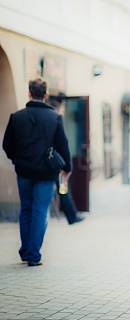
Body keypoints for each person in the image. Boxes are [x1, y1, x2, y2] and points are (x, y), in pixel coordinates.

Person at [2, 78, 71, 266]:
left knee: (26, 209)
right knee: (40, 210)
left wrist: (17, 159)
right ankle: (33, 255)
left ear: (29, 93)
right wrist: (67, 168)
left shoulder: (17, 117)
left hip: (23, 171)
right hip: (46, 172)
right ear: (46, 95)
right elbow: (63, 146)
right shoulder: (55, 118)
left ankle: (25, 251)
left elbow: (7, 145)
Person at [47, 93, 84, 225]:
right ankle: (72, 215)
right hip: (57, 164)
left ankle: (71, 215)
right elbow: (63, 143)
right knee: (63, 189)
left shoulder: (50, 117)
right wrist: (67, 166)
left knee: (62, 190)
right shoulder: (56, 118)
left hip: (54, 162)